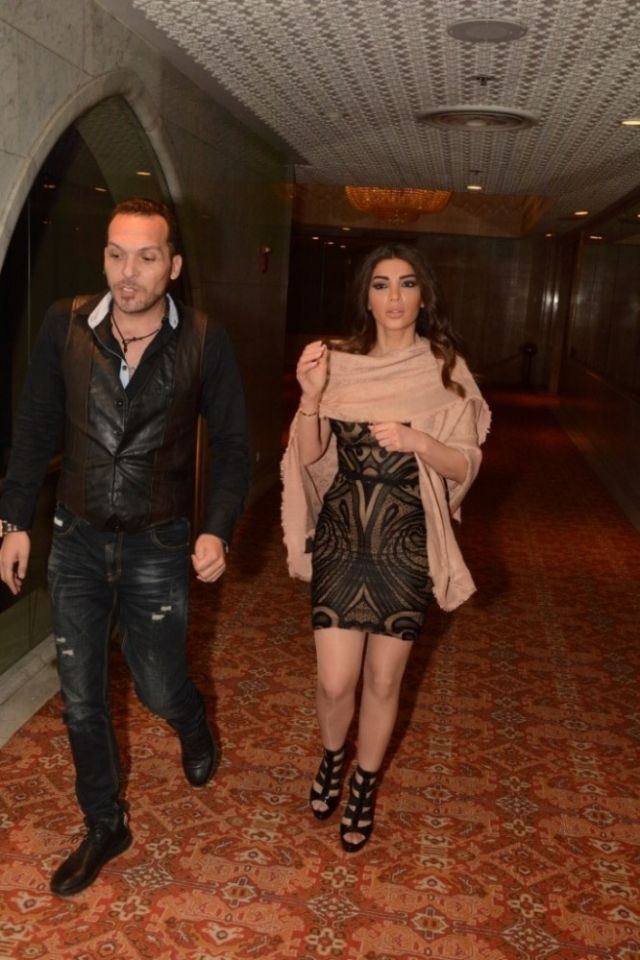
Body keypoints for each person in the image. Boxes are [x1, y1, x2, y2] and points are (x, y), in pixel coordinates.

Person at [0, 198, 249, 895]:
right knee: (81, 697)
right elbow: (34, 426)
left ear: (173, 265)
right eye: (116, 254)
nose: (127, 272)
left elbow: (233, 447)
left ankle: (190, 720)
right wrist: (12, 521)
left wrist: (217, 526)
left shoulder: (204, 340)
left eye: (145, 257)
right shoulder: (66, 324)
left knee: (157, 685)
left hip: (158, 545)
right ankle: (105, 822)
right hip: (76, 541)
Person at [282, 243, 490, 853]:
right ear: (366, 297)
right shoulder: (339, 362)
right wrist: (311, 396)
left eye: (406, 284)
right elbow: (311, 455)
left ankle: (364, 784)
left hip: (406, 544)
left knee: (381, 680)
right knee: (335, 682)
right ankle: (332, 756)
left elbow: (465, 465)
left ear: (424, 297)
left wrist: (417, 440)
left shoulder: (445, 370)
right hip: (344, 537)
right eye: (381, 284)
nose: (394, 297)